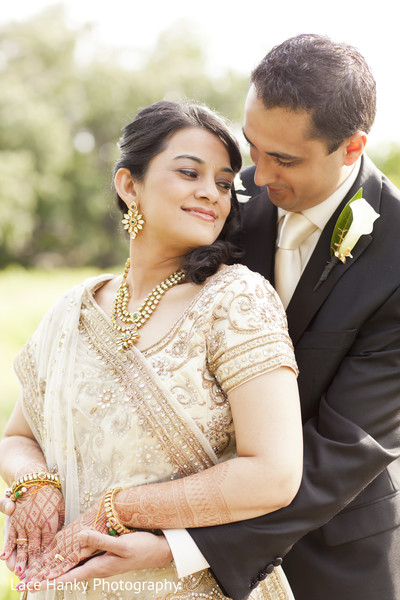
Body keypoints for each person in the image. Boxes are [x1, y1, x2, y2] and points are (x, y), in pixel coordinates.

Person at [41, 34, 400, 600]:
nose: (255, 174)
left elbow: (345, 446)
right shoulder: (233, 197)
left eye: (283, 159)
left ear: (352, 148)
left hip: (331, 551)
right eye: (252, 146)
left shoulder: (396, 255)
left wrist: (182, 546)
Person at [0, 100, 302, 599]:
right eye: (190, 172)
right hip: (69, 583)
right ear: (128, 184)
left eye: (225, 183)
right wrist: (36, 484)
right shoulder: (72, 312)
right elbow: (16, 437)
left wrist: (119, 508)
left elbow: (274, 474)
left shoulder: (236, 300)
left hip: (189, 584)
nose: (211, 192)